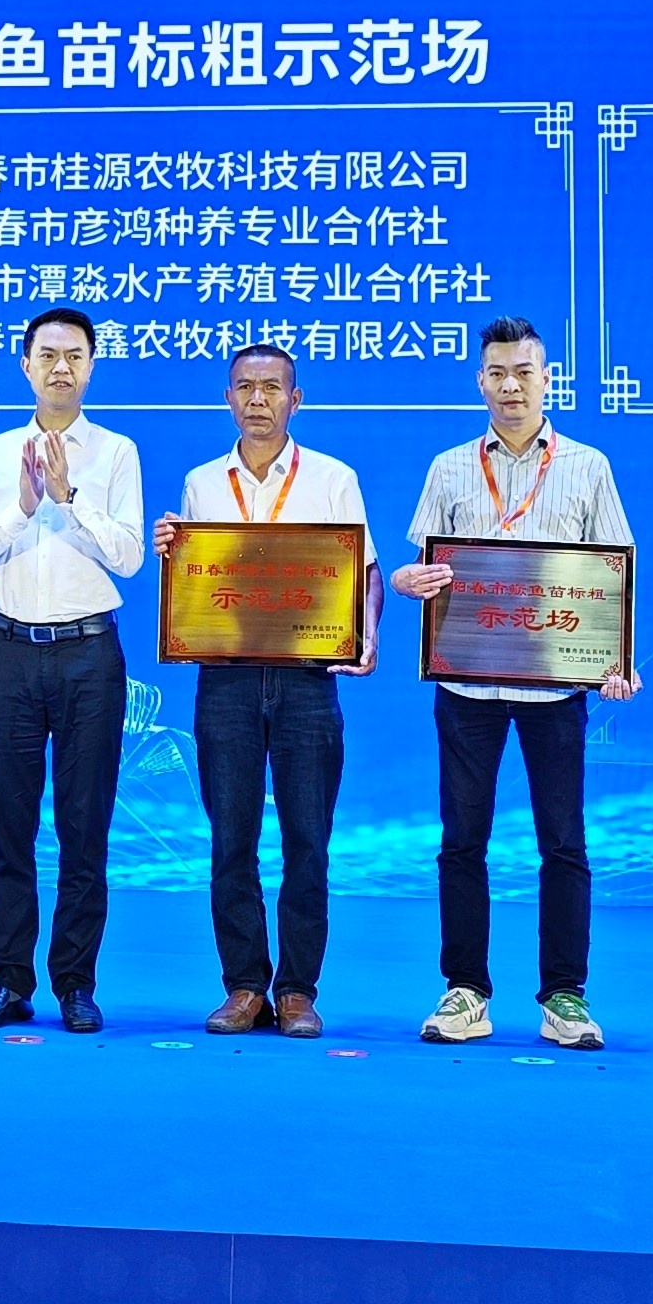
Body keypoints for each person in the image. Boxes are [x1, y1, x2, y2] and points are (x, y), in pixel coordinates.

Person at [388, 316, 639, 1051]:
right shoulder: (449, 467)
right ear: (480, 382)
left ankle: (565, 996)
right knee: (462, 841)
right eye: (497, 374)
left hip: (554, 689)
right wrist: (406, 581)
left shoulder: (588, 466)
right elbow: (422, 565)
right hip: (466, 686)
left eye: (524, 373)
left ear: (547, 379)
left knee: (563, 842)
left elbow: (613, 570)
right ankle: (465, 990)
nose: (510, 386)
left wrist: (618, 659)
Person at [159, 340, 370, 1037]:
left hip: (307, 679)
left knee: (308, 839)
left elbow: (363, 571)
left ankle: (299, 991)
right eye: (245, 387)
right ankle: (245, 986)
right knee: (232, 839)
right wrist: (173, 554)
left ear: (295, 399)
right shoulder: (200, 482)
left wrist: (366, 637)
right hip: (226, 678)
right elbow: (198, 580)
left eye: (272, 387)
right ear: (228, 398)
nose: (258, 399)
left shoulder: (333, 477)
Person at [0, 307, 144, 1035]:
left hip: (90, 653)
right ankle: (7, 981)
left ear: (91, 367)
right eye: (48, 355)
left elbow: (129, 558)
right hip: (8, 651)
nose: (62, 367)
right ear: (25, 365)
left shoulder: (116, 453)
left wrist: (69, 499)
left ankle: (76, 984)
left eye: (75, 356)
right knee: (9, 824)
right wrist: (22, 507)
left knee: (84, 826)